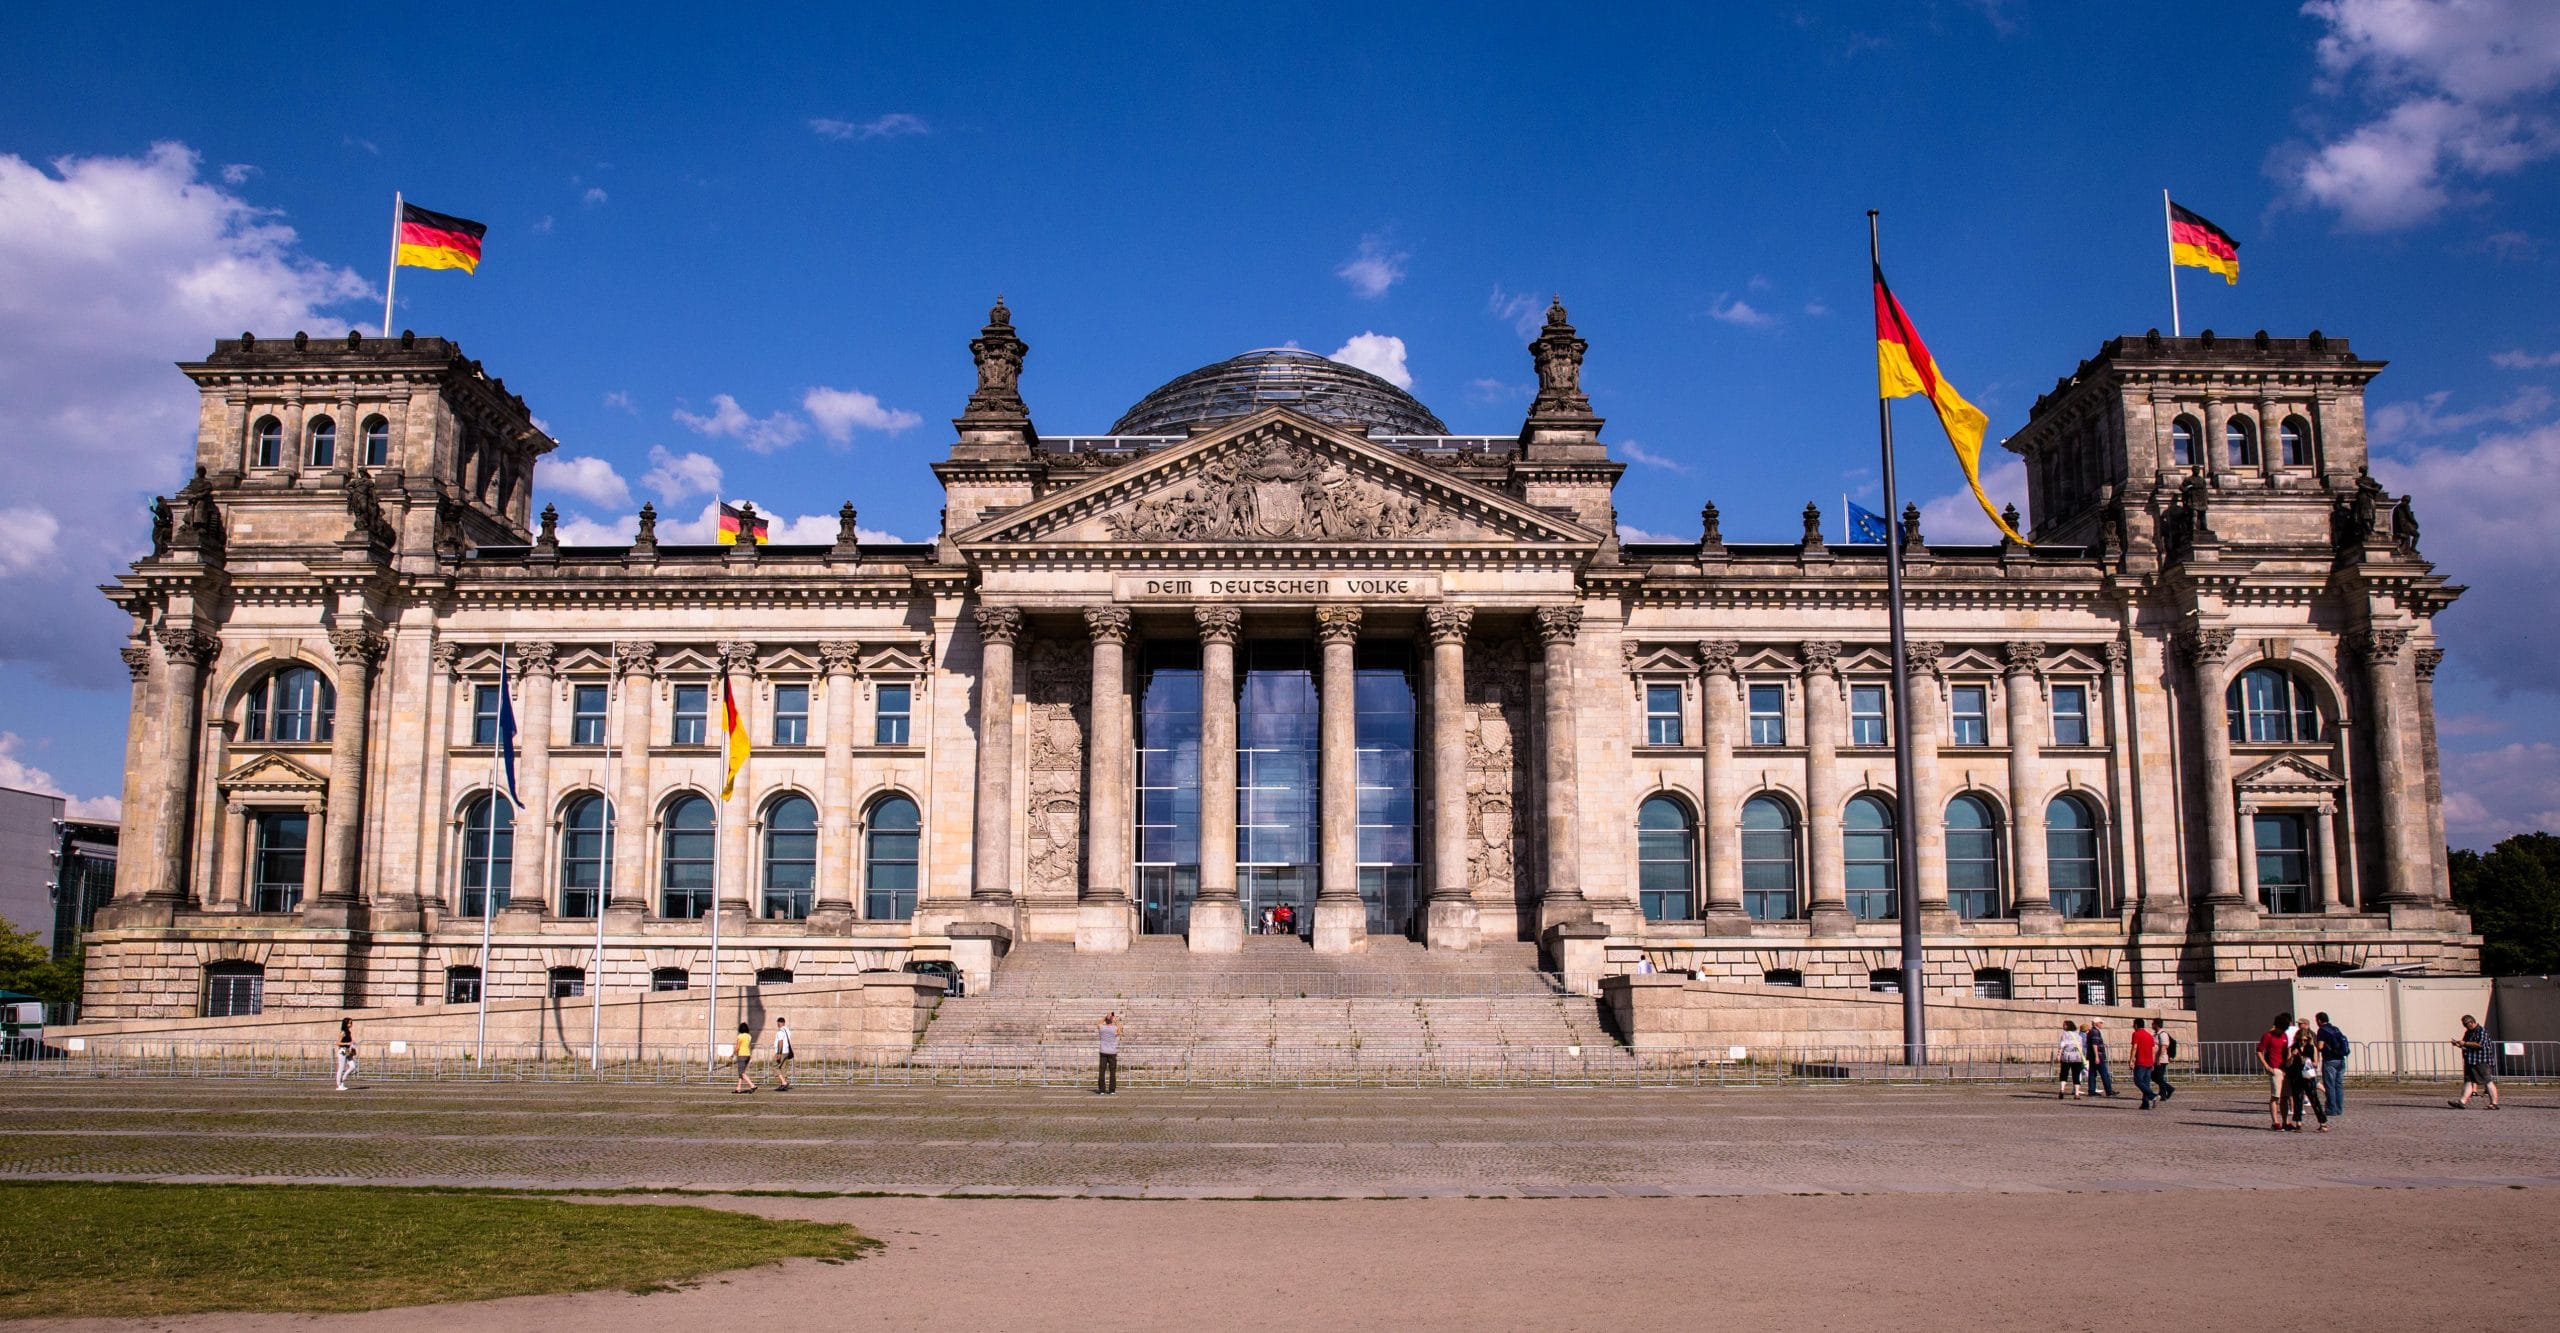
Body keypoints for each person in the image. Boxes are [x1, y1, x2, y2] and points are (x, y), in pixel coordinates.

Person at [2285, 1018, 2329, 1132]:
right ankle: (2298, 1123)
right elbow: (2288, 1063)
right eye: (2301, 1040)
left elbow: (2315, 1063)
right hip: (2296, 1075)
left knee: (2314, 1099)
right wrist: (2292, 1056)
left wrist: (2308, 1060)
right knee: (2298, 1099)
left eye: (2304, 1040)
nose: (2302, 1042)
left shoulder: (2312, 1047)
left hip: (2308, 1076)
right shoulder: (2293, 1047)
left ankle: (2322, 1122)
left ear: (2308, 1039)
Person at [2450, 1014, 2501, 1109]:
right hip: (2470, 1060)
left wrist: (2464, 1043)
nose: (2465, 1026)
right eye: (2463, 1024)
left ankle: (2494, 1103)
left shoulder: (2481, 1031)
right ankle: (2462, 1102)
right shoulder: (2468, 1032)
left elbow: (2479, 1045)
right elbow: (2466, 1045)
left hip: (2481, 1060)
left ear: (2471, 1022)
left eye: (2466, 1024)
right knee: (2468, 1081)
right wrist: (2458, 1044)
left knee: (2488, 1081)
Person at [2256, 1013, 2294, 1131]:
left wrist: (2290, 1059)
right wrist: (2267, 1066)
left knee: (2285, 1096)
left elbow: (2286, 1052)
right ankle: (2275, 1122)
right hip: (2274, 1068)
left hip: (2284, 1069)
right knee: (2275, 1096)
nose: (2281, 1031)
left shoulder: (2284, 1036)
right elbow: (2259, 1051)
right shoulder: (2268, 1036)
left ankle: (2285, 1121)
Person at [2315, 1012, 2350, 1118]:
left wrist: (2314, 1046)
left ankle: (2331, 1109)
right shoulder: (2335, 1029)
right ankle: (2339, 1109)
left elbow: (2320, 1046)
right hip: (2341, 1059)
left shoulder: (2322, 1030)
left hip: (2330, 1060)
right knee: (2338, 1085)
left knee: (2330, 1085)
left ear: (2320, 1020)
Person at [2130, 1018, 2159, 1109]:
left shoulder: (2136, 1034)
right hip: (2149, 1062)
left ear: (2136, 1025)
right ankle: (2145, 1103)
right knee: (2146, 1083)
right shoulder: (2149, 1036)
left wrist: (2131, 1060)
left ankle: (2153, 1096)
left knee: (2138, 1080)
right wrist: (2153, 1062)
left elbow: (2135, 1047)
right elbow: (2153, 1050)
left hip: (2140, 1062)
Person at [2082, 1019, 2115, 1098]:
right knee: (2104, 1073)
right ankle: (2109, 1090)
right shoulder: (2095, 1032)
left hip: (2092, 1055)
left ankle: (2091, 1090)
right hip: (2097, 1056)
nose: (2102, 1024)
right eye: (2101, 1023)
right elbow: (2095, 1044)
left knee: (2092, 1073)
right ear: (2097, 1023)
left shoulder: (2092, 1031)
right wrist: (2097, 1056)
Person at [2149, 1017, 2178, 1103]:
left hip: (2162, 1059)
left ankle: (2165, 1092)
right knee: (2155, 1077)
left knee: (2158, 1077)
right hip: (2157, 1059)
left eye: (2153, 1023)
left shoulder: (2163, 1034)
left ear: (2156, 1024)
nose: (2152, 1025)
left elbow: (2163, 1047)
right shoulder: (2156, 1034)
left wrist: (2158, 1058)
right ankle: (2166, 1090)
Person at [2056, 1021, 2085, 1099]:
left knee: (2064, 1074)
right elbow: (2081, 1047)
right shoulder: (2078, 1035)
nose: (2063, 1026)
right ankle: (2077, 1093)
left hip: (2067, 1057)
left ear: (2068, 1026)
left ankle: (2062, 1090)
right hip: (2077, 1057)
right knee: (2076, 1075)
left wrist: (2059, 1055)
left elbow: (2061, 1046)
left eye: (2064, 1025)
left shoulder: (2064, 1035)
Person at [1097, 1011, 1120, 1095]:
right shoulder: (1114, 1028)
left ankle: (1102, 1089)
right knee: (1112, 1071)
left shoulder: (1102, 1028)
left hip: (1103, 1051)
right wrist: (1115, 1019)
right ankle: (1112, 1090)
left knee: (1102, 1071)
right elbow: (1119, 1030)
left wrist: (1105, 1017)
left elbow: (1098, 1023)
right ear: (1112, 1020)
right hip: (1112, 1052)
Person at [731, 1021, 757, 1094]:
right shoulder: (749, 1036)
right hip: (747, 1055)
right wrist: (751, 1057)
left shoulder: (740, 1036)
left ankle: (752, 1085)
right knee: (741, 1073)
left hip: (741, 1055)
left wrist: (733, 1054)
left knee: (741, 1073)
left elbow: (738, 1047)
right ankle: (738, 1088)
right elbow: (748, 1046)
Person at [333, 1017, 358, 1092]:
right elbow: (337, 1043)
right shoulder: (343, 1032)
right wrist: (347, 1043)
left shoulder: (348, 1032)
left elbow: (349, 1041)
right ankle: (338, 1084)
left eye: (351, 1023)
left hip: (348, 1051)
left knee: (353, 1066)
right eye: (349, 1023)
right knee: (341, 1068)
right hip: (342, 1051)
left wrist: (352, 1043)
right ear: (346, 1024)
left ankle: (343, 1078)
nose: (351, 1024)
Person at [771, 1016, 794, 1092]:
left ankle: (784, 1083)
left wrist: (779, 1053)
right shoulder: (787, 1030)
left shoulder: (780, 1031)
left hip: (782, 1052)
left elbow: (780, 1042)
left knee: (774, 1066)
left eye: (778, 1023)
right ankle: (783, 1085)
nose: (777, 1024)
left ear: (780, 1023)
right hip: (787, 1051)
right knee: (783, 1067)